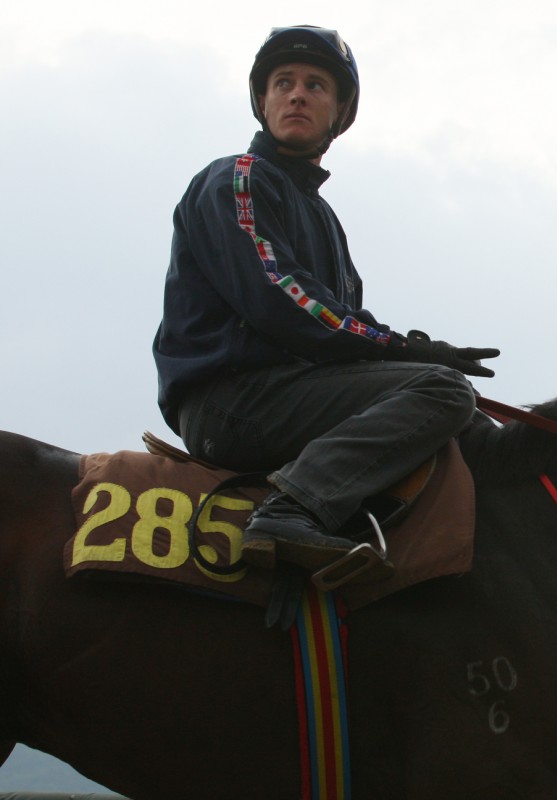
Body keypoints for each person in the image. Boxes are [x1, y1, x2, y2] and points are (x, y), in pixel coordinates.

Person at [152, 26, 499, 576]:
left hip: (290, 397)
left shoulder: (325, 220)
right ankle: (290, 512)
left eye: (315, 85)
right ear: (263, 101)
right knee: (442, 391)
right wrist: (405, 350)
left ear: (339, 113)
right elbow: (285, 301)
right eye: (283, 83)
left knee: (472, 421)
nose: (297, 95)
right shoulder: (238, 178)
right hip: (233, 402)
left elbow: (340, 330)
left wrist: (405, 351)